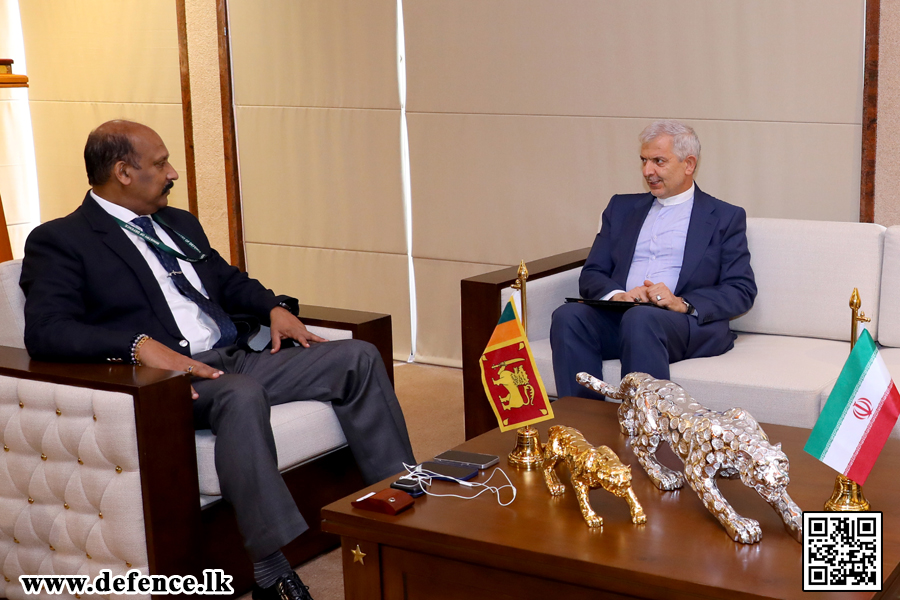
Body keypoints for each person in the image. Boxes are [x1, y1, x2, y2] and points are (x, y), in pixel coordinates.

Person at [19, 120, 416, 600]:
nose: (173, 173)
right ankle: (272, 573)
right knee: (241, 395)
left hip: (235, 356)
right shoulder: (62, 240)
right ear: (123, 171)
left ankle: (404, 510)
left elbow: (226, 281)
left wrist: (272, 308)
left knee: (358, 357)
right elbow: (47, 331)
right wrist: (138, 346)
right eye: (161, 162)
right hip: (167, 381)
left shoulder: (178, 223)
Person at [550, 120, 757, 400]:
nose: (648, 171)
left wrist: (681, 303)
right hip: (625, 317)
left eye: (658, 161)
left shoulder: (724, 217)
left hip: (680, 325)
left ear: (689, 164)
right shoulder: (621, 208)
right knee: (569, 316)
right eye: (644, 161)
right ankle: (582, 427)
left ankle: (646, 434)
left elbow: (740, 290)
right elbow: (592, 273)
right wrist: (617, 295)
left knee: (641, 318)